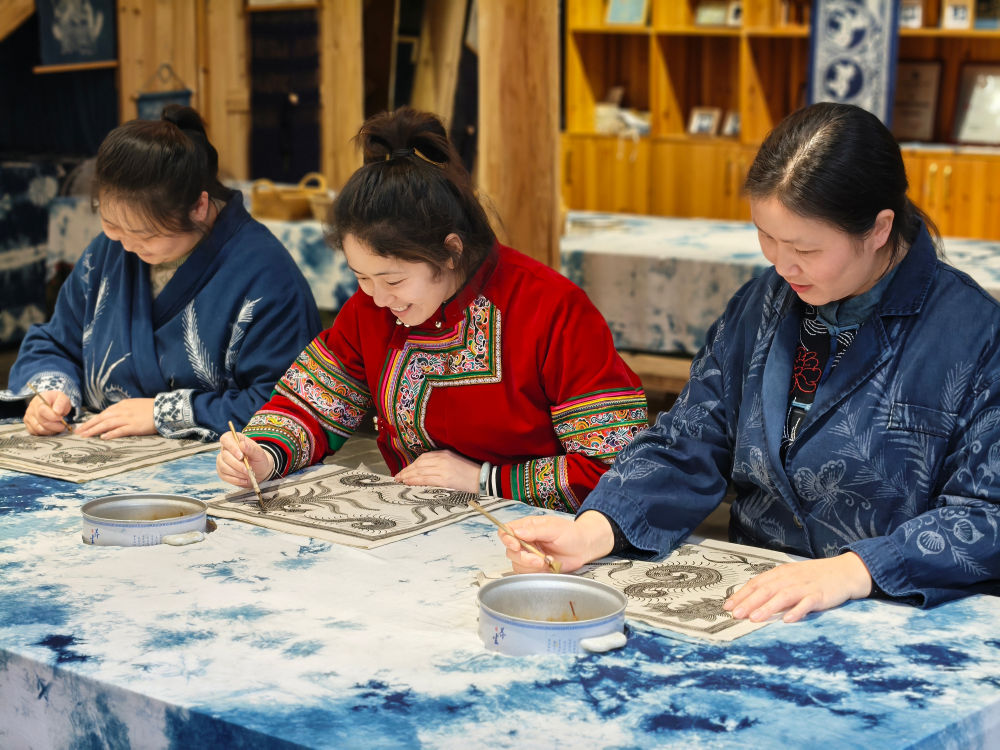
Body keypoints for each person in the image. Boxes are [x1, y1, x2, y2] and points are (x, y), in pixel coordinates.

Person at [500, 102, 1000, 620]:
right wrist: (594, 529)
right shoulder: (765, 303)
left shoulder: (974, 334)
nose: (782, 265)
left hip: (892, 612)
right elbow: (690, 439)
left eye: (805, 248)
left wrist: (856, 571)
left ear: (879, 230)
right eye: (767, 237)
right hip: (755, 601)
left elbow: (988, 515)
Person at [217, 107, 647, 509]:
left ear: (451, 251)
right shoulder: (372, 308)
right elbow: (313, 405)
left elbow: (620, 468)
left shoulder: (550, 309)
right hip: (412, 520)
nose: (377, 298)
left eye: (393, 280)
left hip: (541, 535)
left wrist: (485, 479)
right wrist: (265, 454)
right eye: (361, 277)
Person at [2, 105, 321, 440]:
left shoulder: (266, 276)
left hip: (217, 464)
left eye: (145, 234)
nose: (126, 245)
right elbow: (55, 342)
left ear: (198, 207)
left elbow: (288, 404)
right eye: (111, 225)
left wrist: (163, 414)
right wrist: (51, 394)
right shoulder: (109, 251)